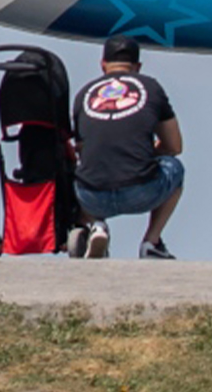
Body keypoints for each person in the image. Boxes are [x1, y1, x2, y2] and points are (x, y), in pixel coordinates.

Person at [69, 35, 184, 259]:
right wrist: (141, 153)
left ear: (103, 65)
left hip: (92, 197)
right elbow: (175, 146)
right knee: (174, 167)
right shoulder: (151, 87)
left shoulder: (83, 95)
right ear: (138, 67)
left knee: (80, 171)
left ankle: (96, 226)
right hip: (141, 192)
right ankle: (151, 242)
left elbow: (83, 149)